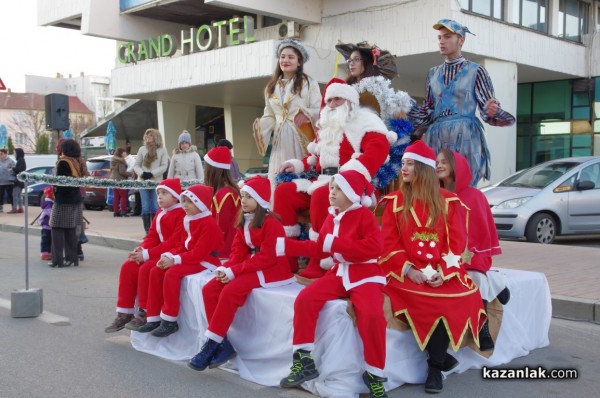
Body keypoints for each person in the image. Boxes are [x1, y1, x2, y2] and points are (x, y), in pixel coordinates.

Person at [379, 140, 486, 393]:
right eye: (403, 163)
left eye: (410, 164)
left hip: (440, 269)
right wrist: (409, 270)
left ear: (424, 169)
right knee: (420, 297)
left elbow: (456, 244)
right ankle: (438, 363)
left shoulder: (449, 202)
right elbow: (388, 244)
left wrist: (443, 272)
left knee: (456, 296)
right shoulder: (394, 201)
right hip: (405, 271)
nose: (403, 169)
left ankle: (435, 367)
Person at [278, 170, 389, 398]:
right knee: (305, 299)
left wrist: (336, 243)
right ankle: (304, 360)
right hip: (338, 273)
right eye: (331, 188)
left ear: (351, 193)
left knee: (372, 315)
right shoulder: (332, 217)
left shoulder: (364, 216)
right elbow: (320, 249)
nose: (332, 193)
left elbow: (374, 249)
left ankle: (374, 374)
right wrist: (286, 246)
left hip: (365, 274)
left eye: (338, 189)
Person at [273, 78, 395, 278]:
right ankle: (286, 259)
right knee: (284, 192)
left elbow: (379, 150)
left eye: (337, 99)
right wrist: (297, 164)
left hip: (352, 184)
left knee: (324, 195)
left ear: (349, 101)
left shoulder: (365, 122)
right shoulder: (327, 126)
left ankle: (321, 260)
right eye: (329, 100)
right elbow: (315, 158)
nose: (331, 105)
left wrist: (350, 173)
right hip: (321, 179)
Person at [188, 176, 294, 371]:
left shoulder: (272, 223)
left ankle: (211, 344)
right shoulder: (244, 220)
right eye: (243, 195)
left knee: (231, 291)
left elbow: (268, 258)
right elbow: (238, 251)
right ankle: (223, 344)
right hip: (251, 265)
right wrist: (226, 269)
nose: (243, 200)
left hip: (271, 270)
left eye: (249, 197)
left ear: (260, 200)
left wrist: (234, 271)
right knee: (210, 289)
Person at [408, 19, 515, 186]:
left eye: (447, 37)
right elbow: (428, 109)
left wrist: (492, 110)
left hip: (465, 135)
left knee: (463, 187)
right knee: (437, 189)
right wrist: (404, 110)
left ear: (461, 40)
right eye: (439, 37)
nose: (442, 41)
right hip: (437, 136)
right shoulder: (432, 73)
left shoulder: (476, 71)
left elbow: (487, 108)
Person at [436, 149, 511, 351]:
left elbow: (483, 233)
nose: (439, 165)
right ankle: (498, 283)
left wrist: (469, 257)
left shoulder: (475, 196)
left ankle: (482, 327)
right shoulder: (435, 195)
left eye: (444, 161)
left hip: (472, 254)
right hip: (441, 255)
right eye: (437, 162)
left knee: (475, 277)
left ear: (456, 165)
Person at [138, 184, 224, 337]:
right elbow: (183, 245)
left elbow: (199, 253)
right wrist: (169, 256)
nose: (185, 205)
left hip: (206, 260)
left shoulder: (208, 223)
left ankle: (170, 320)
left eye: (189, 202)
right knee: (157, 270)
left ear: (201, 203)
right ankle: (153, 316)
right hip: (192, 257)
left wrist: (175, 260)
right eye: (183, 201)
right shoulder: (189, 219)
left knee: (172, 273)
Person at [104, 178, 185, 333]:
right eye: (158, 193)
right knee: (128, 265)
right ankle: (124, 312)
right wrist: (140, 249)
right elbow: (152, 236)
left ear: (175, 196)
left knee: (147, 268)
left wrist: (147, 254)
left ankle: (145, 311)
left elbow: (174, 242)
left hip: (171, 253)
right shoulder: (160, 212)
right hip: (157, 252)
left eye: (164, 193)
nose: (159, 197)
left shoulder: (181, 213)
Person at [256, 39, 321, 184]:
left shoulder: (309, 83)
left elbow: (319, 109)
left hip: (301, 136)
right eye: (282, 56)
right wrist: (261, 127)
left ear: (299, 62)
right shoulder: (271, 87)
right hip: (279, 140)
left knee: (301, 176)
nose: (285, 60)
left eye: (290, 57)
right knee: (277, 176)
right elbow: (270, 115)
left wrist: (306, 114)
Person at [49, 139, 86, 268]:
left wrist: (53, 184)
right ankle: (72, 258)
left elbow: (62, 182)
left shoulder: (64, 162)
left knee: (56, 228)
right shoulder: (78, 161)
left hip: (63, 200)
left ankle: (57, 259)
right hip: (76, 199)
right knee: (71, 230)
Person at [203, 146, 241, 259]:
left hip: (225, 250)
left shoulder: (224, 194)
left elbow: (220, 227)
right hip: (226, 247)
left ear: (213, 170)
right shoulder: (224, 191)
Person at [134, 128, 169, 233]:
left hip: (156, 181)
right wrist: (142, 173)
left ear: (156, 137)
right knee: (145, 207)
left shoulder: (162, 150)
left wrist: (152, 173)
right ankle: (147, 232)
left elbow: (164, 166)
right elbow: (136, 165)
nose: (148, 137)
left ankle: (155, 232)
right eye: (147, 136)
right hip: (143, 181)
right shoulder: (142, 149)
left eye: (150, 135)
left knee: (154, 206)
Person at [110, 147, 133, 217]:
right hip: (120, 179)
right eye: (124, 152)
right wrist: (131, 174)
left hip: (113, 179)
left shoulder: (113, 159)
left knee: (116, 196)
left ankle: (116, 211)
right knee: (123, 196)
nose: (125, 153)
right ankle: (123, 211)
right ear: (121, 153)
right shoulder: (121, 161)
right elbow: (122, 172)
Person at [39, 186, 54, 261]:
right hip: (46, 225)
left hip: (49, 225)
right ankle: (44, 253)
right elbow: (50, 213)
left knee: (50, 239)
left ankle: (49, 252)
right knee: (45, 240)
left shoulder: (50, 203)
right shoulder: (49, 204)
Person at [10, 148, 26, 213]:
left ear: (18, 153)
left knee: (15, 195)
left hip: (18, 180)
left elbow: (19, 170)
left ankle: (14, 209)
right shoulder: (22, 160)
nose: (14, 154)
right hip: (21, 180)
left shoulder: (20, 160)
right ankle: (20, 208)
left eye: (15, 153)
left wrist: (13, 169)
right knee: (19, 195)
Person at [0, 148, 15, 213]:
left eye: (1, 154)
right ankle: (0, 208)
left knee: (10, 195)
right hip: (1, 181)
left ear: (5, 154)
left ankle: (13, 207)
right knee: (0, 195)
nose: (0, 155)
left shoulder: (10, 161)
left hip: (9, 182)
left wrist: (10, 170)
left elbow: (14, 169)